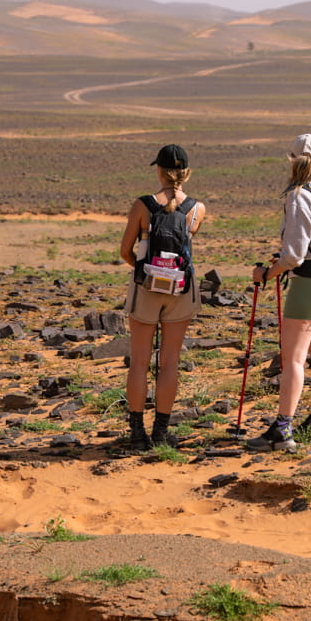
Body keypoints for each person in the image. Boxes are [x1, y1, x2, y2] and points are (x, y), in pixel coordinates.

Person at [247, 133, 311, 451]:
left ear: (290, 159)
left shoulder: (298, 195)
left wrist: (267, 273)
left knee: (294, 359)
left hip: (309, 283)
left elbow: (294, 256)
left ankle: (282, 429)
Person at [119, 144, 206, 450]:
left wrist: (146, 271)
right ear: (186, 173)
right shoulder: (197, 209)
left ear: (159, 171)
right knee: (170, 362)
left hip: (146, 288)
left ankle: (137, 433)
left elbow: (124, 251)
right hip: (180, 289)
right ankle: (161, 432)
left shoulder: (142, 206)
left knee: (140, 362)